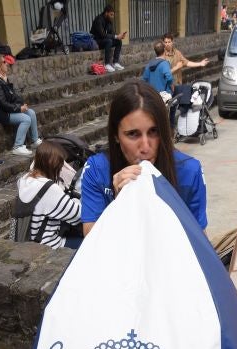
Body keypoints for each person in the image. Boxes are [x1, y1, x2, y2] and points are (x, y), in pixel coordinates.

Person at [81, 80, 207, 235]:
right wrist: (121, 204)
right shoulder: (96, 169)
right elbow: (90, 237)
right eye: (133, 134)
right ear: (115, 135)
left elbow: (199, 239)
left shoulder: (189, 171)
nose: (146, 147)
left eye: (154, 131)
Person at [17, 141, 83, 249]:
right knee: (92, 243)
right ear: (55, 165)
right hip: (49, 244)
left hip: (29, 239)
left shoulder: (24, 180)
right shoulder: (49, 188)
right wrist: (76, 200)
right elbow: (78, 215)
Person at [0, 52, 41, 157]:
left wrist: (21, 103)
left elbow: (12, 96)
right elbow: (2, 103)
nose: (7, 64)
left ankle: (34, 141)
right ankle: (18, 146)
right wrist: (19, 108)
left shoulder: (2, 79)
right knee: (26, 119)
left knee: (31, 113)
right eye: (4, 62)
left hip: (7, 109)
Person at [91, 5, 126, 73]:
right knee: (109, 41)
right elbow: (102, 35)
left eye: (113, 15)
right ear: (106, 13)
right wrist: (115, 36)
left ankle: (115, 63)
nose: (112, 17)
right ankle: (107, 64)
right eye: (111, 15)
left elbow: (112, 33)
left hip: (104, 40)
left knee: (118, 42)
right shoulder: (98, 20)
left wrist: (119, 37)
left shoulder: (109, 21)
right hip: (96, 41)